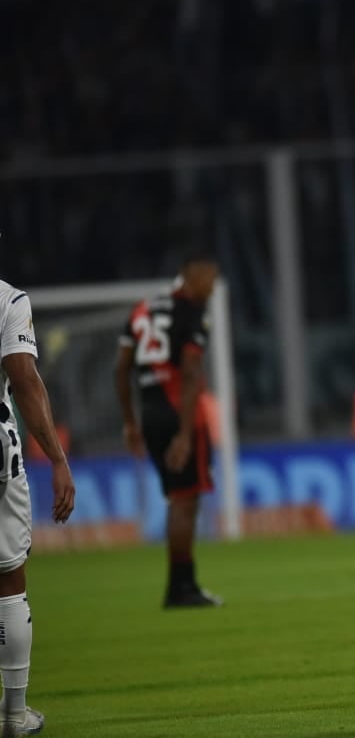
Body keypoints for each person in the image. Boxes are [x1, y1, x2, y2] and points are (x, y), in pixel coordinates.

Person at [113, 252, 223, 608]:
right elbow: (190, 371)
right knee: (184, 499)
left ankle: (184, 584)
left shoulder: (142, 309)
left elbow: (120, 369)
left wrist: (130, 422)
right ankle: (181, 586)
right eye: (211, 277)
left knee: (180, 497)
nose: (212, 286)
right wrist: (187, 433)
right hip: (180, 412)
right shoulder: (190, 311)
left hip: (149, 412)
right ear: (194, 273)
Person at [0, 278, 77, 738]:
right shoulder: (7, 299)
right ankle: (13, 713)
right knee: (8, 577)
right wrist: (58, 458)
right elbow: (24, 381)